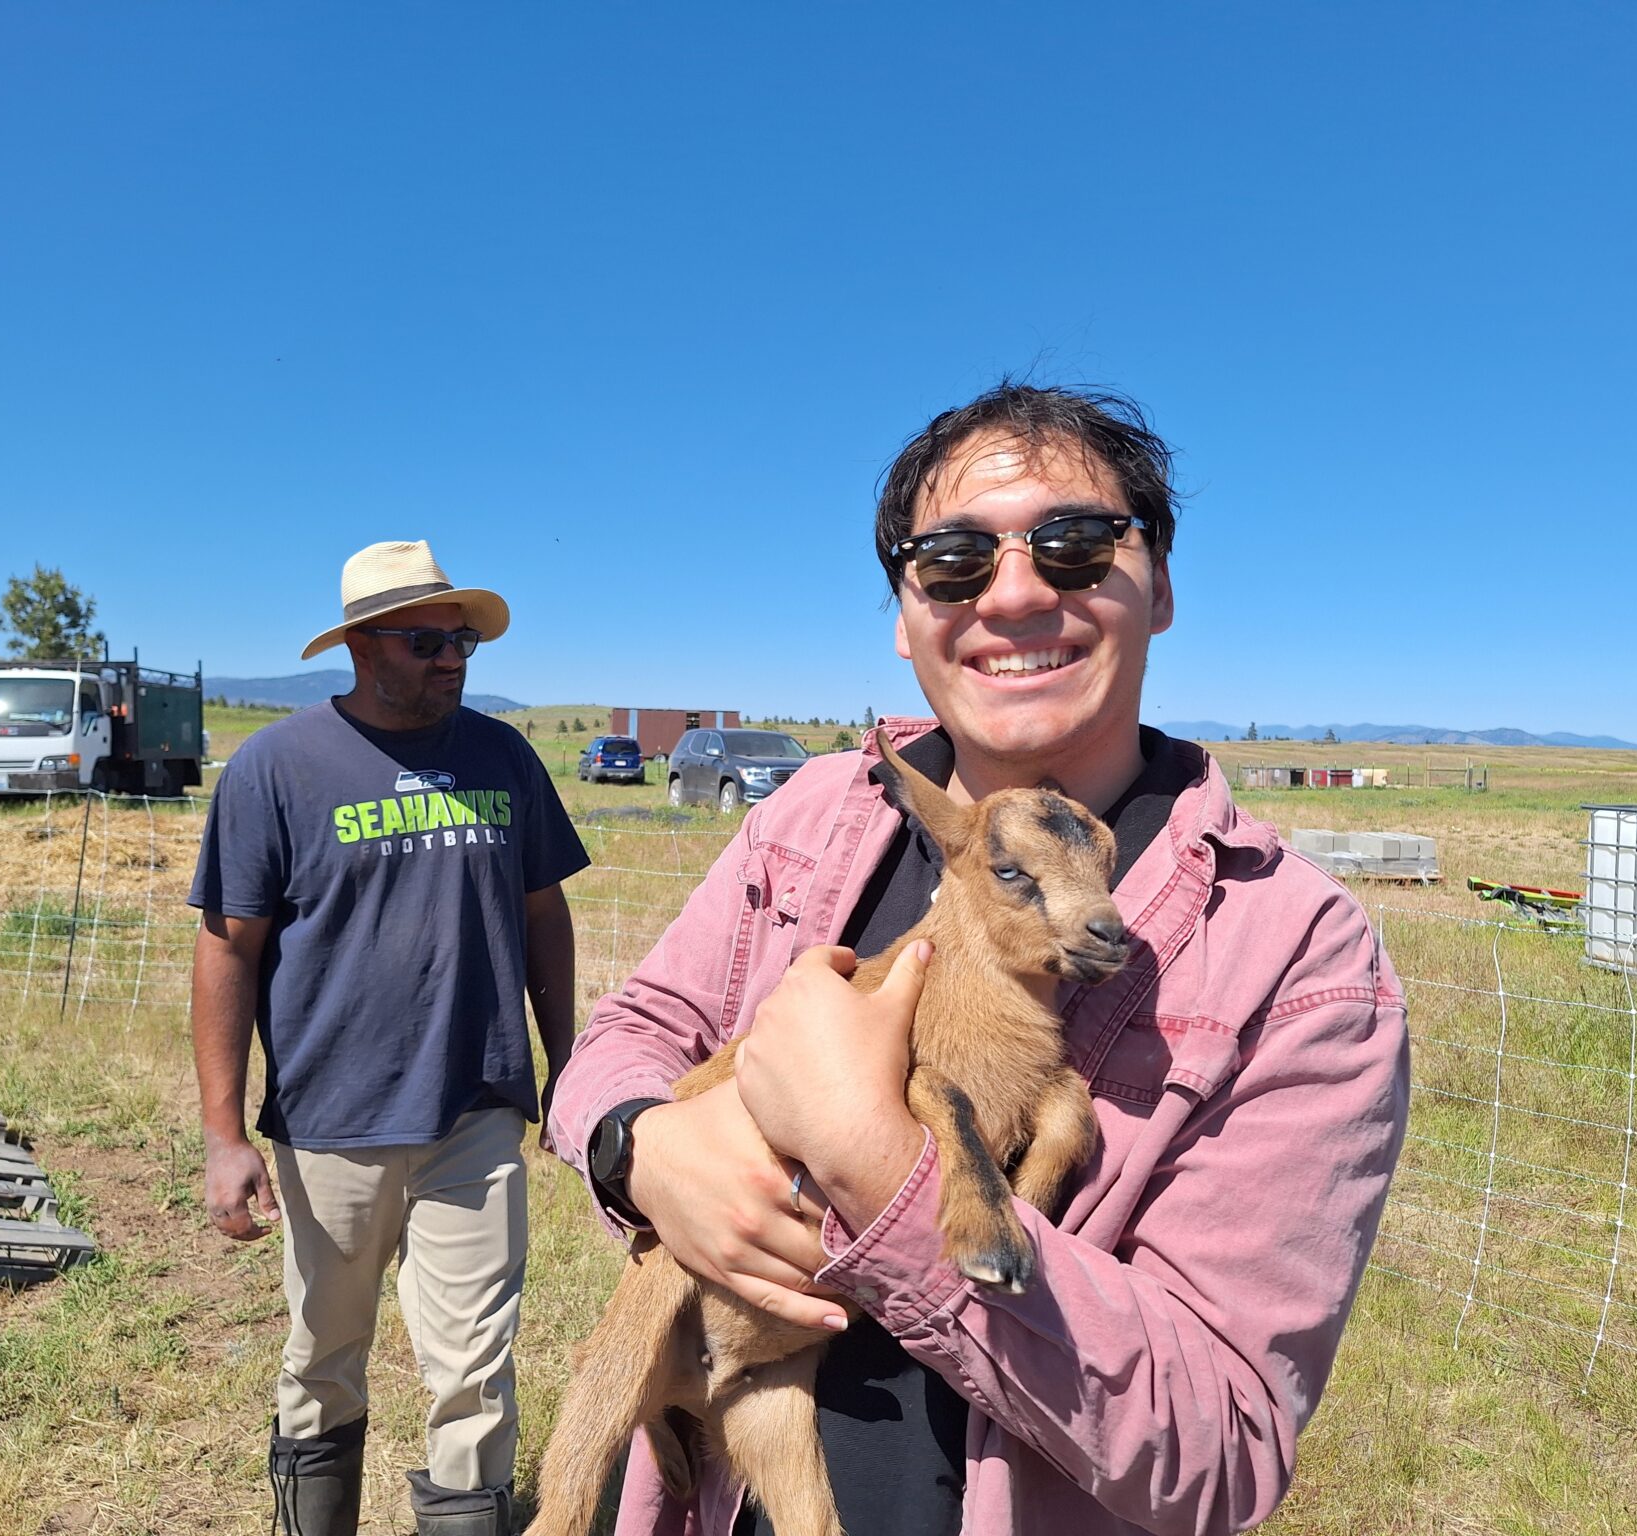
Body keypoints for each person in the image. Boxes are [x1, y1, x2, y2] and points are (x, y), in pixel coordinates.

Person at [548, 385, 1409, 1535]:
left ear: (1156, 587)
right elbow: (626, 1037)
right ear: (904, 619)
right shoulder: (811, 814)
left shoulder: (1298, 956)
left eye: (1074, 544)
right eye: (950, 561)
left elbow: (1220, 1448)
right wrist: (639, 1151)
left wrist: (880, 1172)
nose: (1011, 593)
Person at [190, 539, 588, 1536]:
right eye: (426, 640)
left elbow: (544, 915)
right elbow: (227, 950)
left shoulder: (501, 755)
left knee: (475, 1377)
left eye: (460, 642)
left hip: (474, 1115)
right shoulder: (274, 768)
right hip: (330, 1122)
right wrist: (222, 1134)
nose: (451, 658)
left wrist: (568, 1062)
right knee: (324, 1357)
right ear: (362, 647)